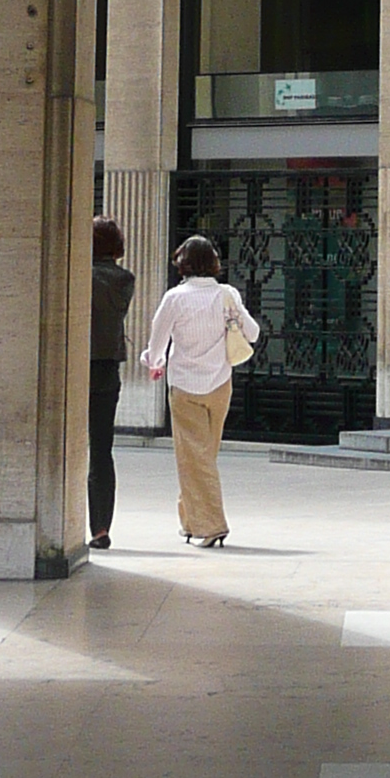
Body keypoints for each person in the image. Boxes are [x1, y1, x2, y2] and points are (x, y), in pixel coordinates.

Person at [140, 234, 260, 548]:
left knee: (193, 455)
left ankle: (211, 525)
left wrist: (153, 362)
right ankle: (190, 520)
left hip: (184, 386)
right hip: (220, 384)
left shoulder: (175, 298)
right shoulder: (227, 294)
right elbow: (254, 332)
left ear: (183, 263)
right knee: (202, 454)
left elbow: (157, 343)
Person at [87, 214, 135, 552]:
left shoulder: (80, 275)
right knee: (102, 451)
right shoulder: (124, 279)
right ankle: (101, 527)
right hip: (106, 370)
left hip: (75, 368)